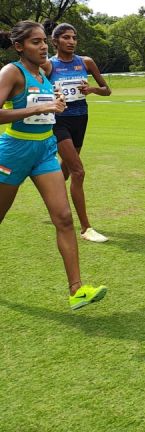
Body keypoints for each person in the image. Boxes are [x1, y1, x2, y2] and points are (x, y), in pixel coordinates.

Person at [0, 21, 107, 310]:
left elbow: (46, 104)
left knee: (63, 218)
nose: (43, 46)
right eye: (35, 42)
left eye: (44, 41)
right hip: (13, 153)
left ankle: (77, 290)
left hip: (45, 151)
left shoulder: (44, 72)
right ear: (19, 46)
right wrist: (40, 107)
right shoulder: (13, 72)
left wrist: (54, 100)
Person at [43, 23, 112, 243]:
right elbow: (37, 89)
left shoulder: (86, 62)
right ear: (55, 41)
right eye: (66, 38)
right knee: (78, 171)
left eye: (74, 38)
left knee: (65, 169)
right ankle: (85, 228)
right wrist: (51, 94)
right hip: (58, 120)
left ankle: (49, 192)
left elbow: (107, 90)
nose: (71, 41)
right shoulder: (48, 66)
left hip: (81, 119)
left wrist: (91, 89)